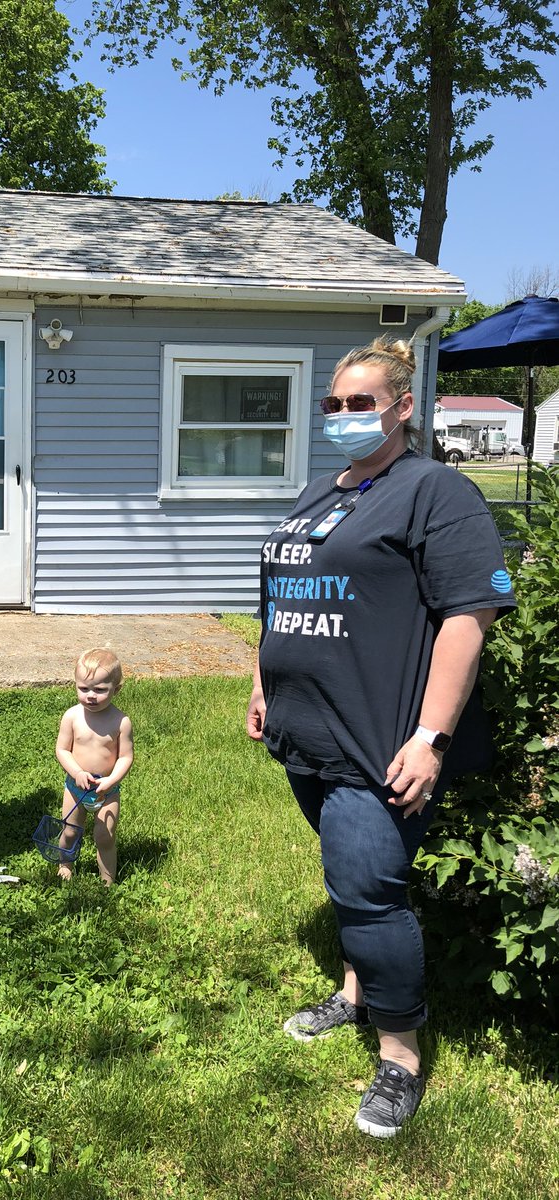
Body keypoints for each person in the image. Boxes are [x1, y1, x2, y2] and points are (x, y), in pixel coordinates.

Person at [246, 337, 516, 1137]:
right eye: (333, 405)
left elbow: (470, 616)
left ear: (404, 407)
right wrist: (262, 684)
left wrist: (430, 735)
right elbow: (280, 599)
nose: (343, 417)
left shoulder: (437, 491)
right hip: (304, 732)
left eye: (360, 404)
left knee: (369, 891)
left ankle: (399, 1055)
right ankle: (355, 993)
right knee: (344, 878)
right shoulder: (321, 492)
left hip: (380, 739)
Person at [54, 649, 134, 885]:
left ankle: (107, 881)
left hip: (106, 791)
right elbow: (62, 750)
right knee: (70, 831)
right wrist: (77, 772)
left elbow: (125, 757)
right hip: (75, 787)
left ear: (116, 689)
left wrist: (111, 780)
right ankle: (65, 866)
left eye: (100, 690)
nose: (90, 695)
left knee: (105, 837)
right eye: (84, 688)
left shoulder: (121, 722)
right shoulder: (72, 716)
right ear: (75, 685)